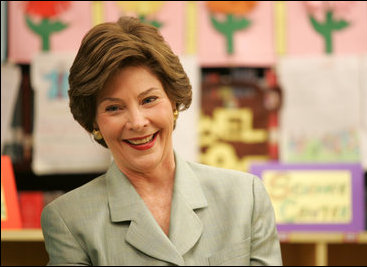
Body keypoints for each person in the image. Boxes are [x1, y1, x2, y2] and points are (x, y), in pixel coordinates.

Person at [40, 16, 282, 266]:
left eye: (149, 100)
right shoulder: (68, 220)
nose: (137, 122)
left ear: (173, 103)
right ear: (94, 123)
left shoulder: (246, 197)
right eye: (114, 108)